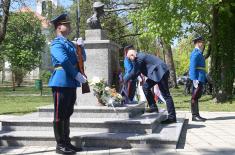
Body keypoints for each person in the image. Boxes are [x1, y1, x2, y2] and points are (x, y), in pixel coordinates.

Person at [48, 13, 87, 154]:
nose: (70, 26)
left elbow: (82, 59)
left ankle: (67, 142)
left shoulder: (70, 44)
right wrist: (76, 74)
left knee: (67, 113)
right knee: (59, 114)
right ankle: (60, 145)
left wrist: (81, 47)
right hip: (61, 81)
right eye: (67, 24)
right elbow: (63, 60)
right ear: (59, 27)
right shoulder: (56, 43)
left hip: (70, 82)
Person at [124, 46, 177, 124]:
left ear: (132, 55)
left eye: (129, 58)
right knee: (146, 87)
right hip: (155, 73)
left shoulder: (138, 58)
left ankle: (172, 118)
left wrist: (125, 80)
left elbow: (135, 71)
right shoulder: (139, 57)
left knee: (166, 95)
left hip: (160, 72)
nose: (130, 60)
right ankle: (153, 107)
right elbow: (137, 72)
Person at [189, 35, 207, 122]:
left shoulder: (199, 52)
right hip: (197, 78)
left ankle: (197, 115)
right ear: (198, 43)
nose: (202, 44)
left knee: (196, 96)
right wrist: (194, 79)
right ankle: (194, 115)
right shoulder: (196, 52)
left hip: (200, 77)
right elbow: (192, 66)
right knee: (194, 97)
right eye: (201, 42)